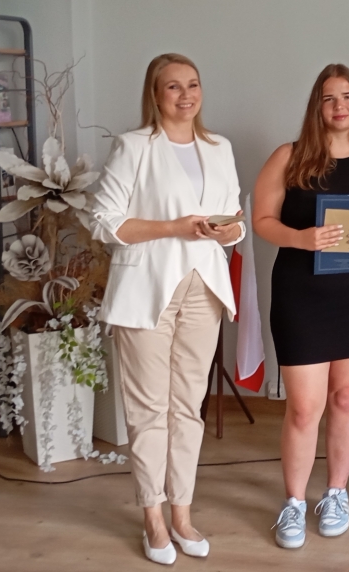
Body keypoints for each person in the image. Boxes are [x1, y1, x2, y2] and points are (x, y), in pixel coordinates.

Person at [92, 53, 244, 565]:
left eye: (193, 84)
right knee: (149, 410)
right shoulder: (133, 146)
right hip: (147, 289)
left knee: (187, 409)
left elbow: (235, 220)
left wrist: (230, 229)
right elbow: (104, 221)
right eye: (173, 86)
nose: (185, 95)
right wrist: (172, 228)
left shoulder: (219, 147)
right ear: (155, 95)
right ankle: (152, 517)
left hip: (204, 287)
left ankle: (182, 512)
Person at [252, 63, 349, 549]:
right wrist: (301, 237)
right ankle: (294, 502)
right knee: (304, 407)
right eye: (329, 98)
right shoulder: (289, 157)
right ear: (317, 107)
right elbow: (261, 220)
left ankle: (336, 494)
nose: (340, 106)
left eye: (347, 96)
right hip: (301, 296)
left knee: (346, 397)